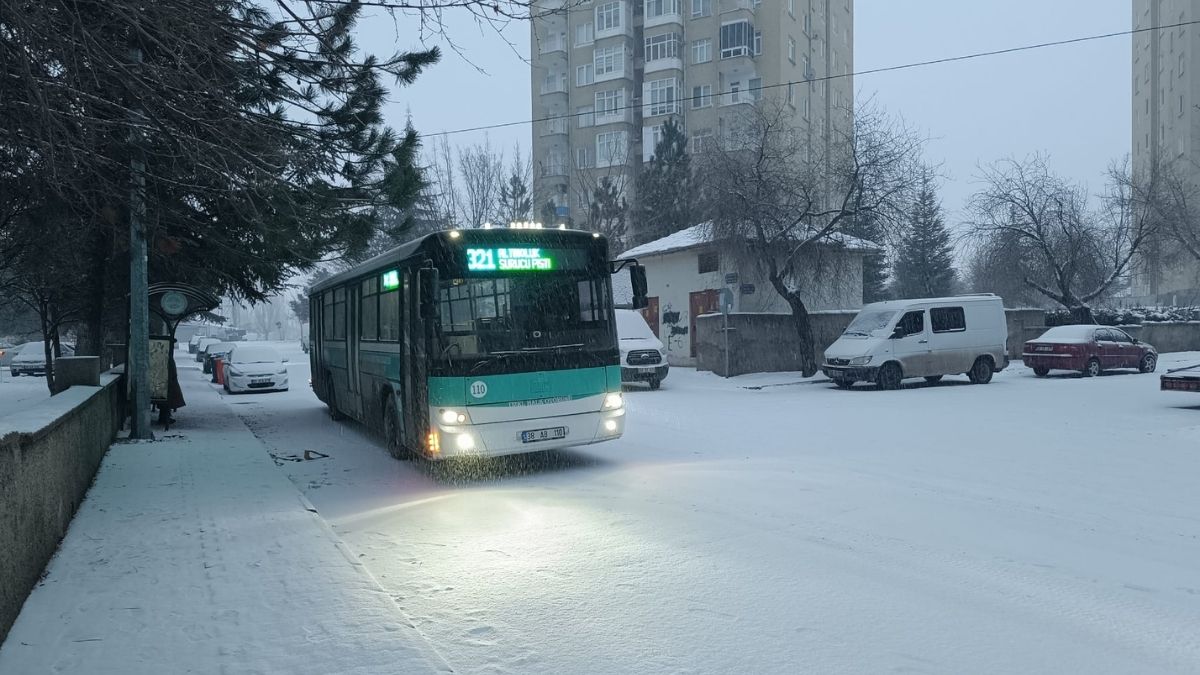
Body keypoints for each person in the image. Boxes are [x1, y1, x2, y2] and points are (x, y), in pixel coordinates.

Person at [158, 340, 185, 426]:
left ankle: (165, 415)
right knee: (170, 394)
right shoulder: (165, 355)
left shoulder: (165, 354)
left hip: (166, 382)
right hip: (164, 384)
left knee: (171, 393)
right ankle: (165, 416)